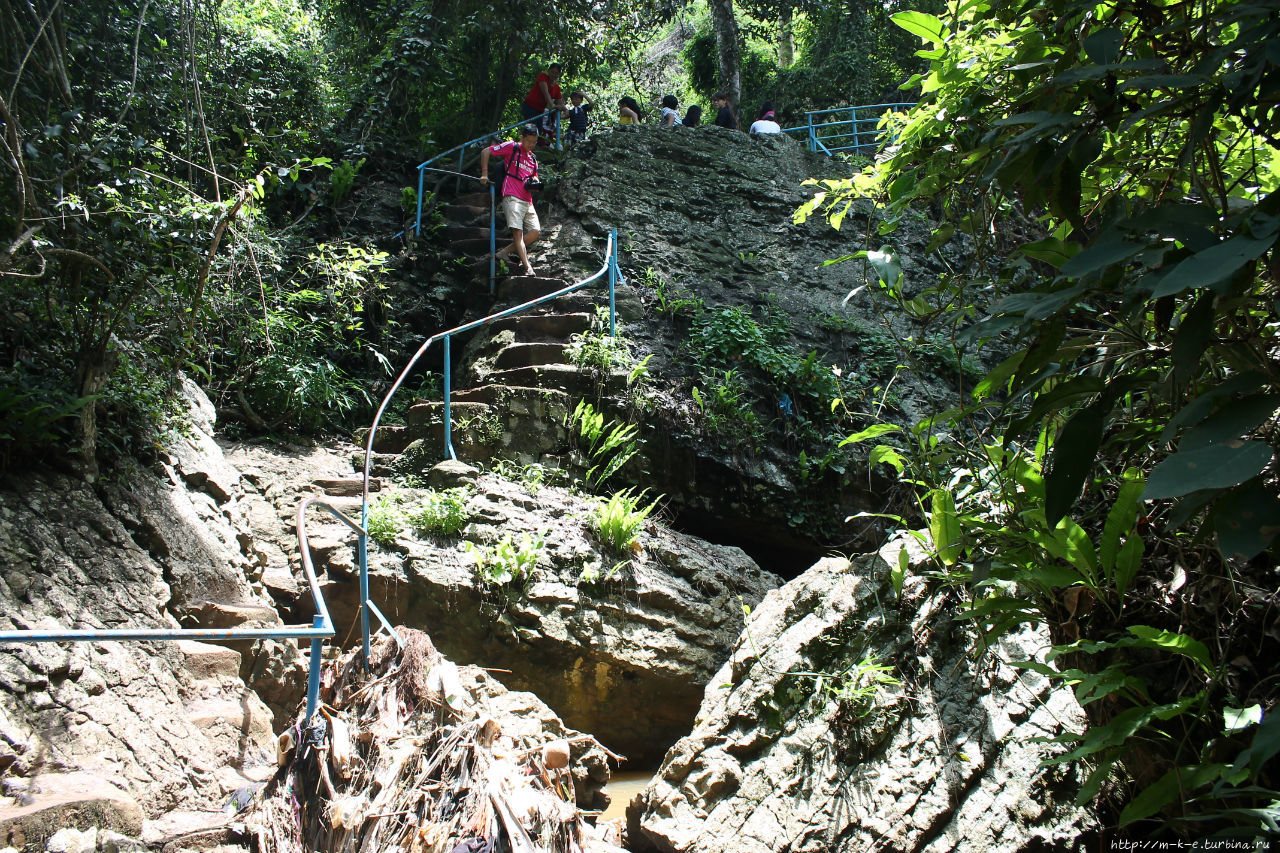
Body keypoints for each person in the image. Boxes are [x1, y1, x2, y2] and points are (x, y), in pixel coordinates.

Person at [479, 125, 543, 277]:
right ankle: (528, 267)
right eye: (528, 141)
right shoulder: (512, 147)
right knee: (518, 234)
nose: (531, 145)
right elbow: (486, 151)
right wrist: (484, 174)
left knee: (535, 232)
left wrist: (535, 181)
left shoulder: (533, 158)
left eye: (534, 142)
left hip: (528, 200)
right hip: (512, 196)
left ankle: (504, 252)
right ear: (522, 138)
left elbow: (535, 176)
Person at [522, 63, 562, 137]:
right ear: (548, 71)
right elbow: (545, 92)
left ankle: (535, 147)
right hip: (530, 107)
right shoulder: (543, 77)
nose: (553, 75)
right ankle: (525, 147)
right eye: (552, 72)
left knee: (539, 133)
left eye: (556, 73)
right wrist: (552, 105)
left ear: (558, 75)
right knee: (531, 131)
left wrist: (563, 109)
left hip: (540, 111)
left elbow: (560, 102)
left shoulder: (556, 87)